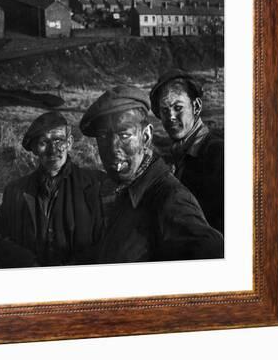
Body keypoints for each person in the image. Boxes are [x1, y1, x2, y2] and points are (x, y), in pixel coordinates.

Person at [79, 85, 223, 264]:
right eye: (102, 137)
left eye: (124, 135)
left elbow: (214, 254)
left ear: (146, 137)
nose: (112, 149)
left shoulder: (170, 199)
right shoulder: (124, 190)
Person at [0, 111, 103, 268]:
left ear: (69, 143)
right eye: (43, 143)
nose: (52, 150)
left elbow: (108, 241)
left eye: (58, 141)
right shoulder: (15, 191)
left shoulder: (95, 185)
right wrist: (28, 264)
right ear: (34, 148)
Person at [149, 69, 224, 234]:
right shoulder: (176, 156)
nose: (171, 117)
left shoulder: (219, 154)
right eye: (165, 110)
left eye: (178, 107)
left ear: (196, 107)